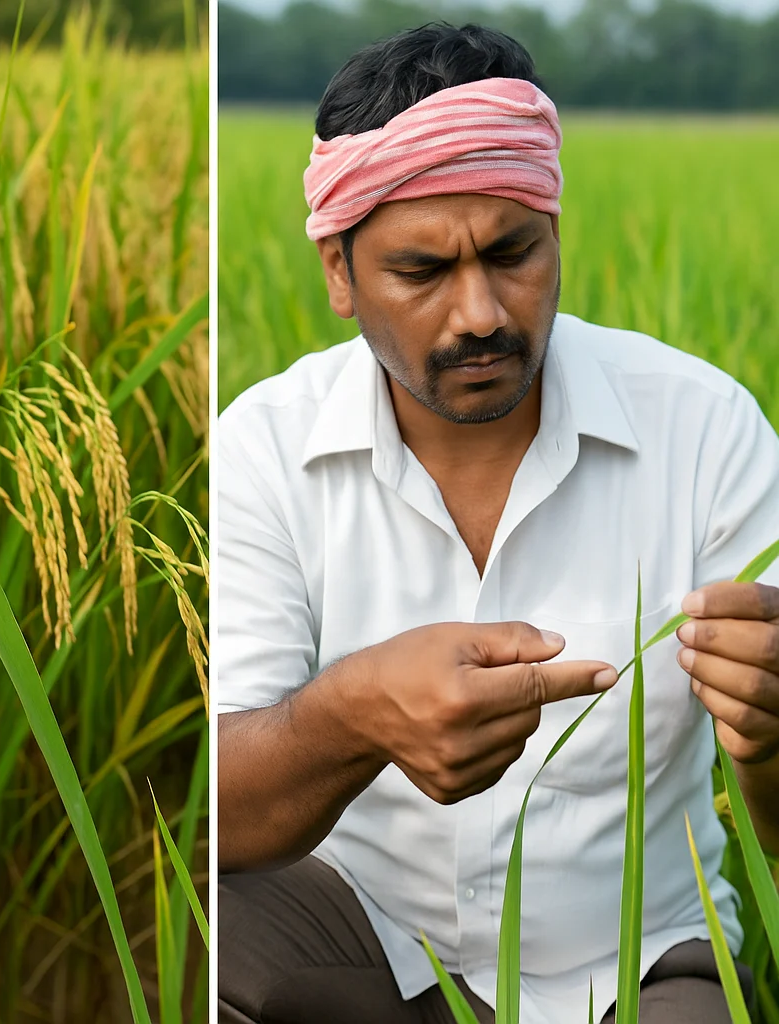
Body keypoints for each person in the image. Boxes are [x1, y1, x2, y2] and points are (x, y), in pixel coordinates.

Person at [216, 23, 779, 1024]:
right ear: (340, 275)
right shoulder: (262, 445)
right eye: (422, 271)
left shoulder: (706, 427)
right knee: (199, 923)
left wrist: (772, 733)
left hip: (634, 967)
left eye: (513, 252)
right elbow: (213, 809)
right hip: (361, 950)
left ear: (555, 235)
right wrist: (351, 714)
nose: (479, 311)